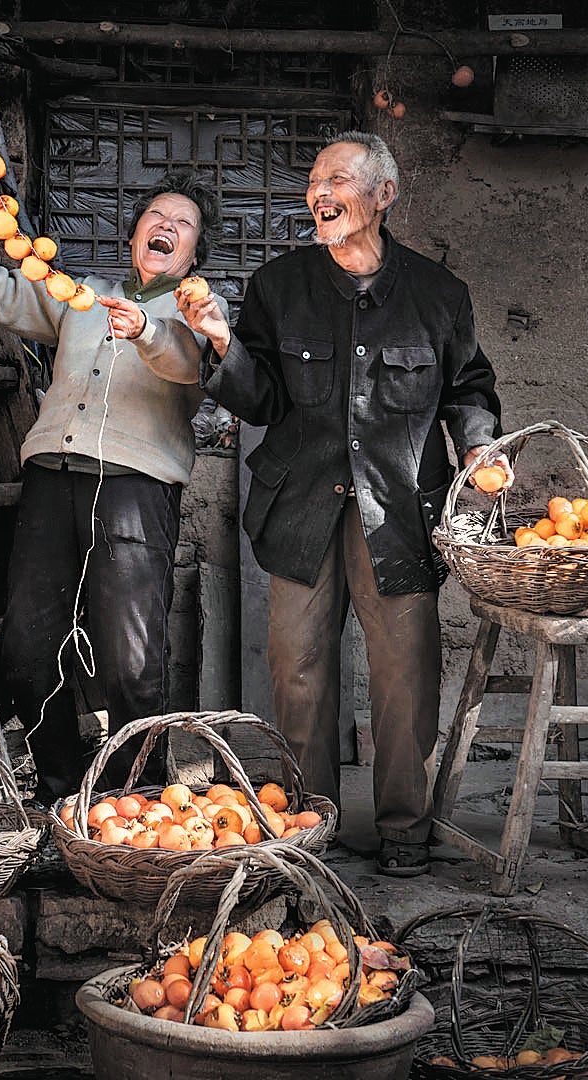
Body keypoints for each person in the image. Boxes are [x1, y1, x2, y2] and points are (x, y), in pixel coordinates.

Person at [170, 131, 509, 876]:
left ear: (382, 196)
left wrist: (480, 447)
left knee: (404, 678)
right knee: (297, 672)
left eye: (338, 179)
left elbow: (468, 390)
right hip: (301, 507)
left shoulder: (437, 295)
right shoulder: (280, 285)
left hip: (399, 512)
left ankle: (403, 832)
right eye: (314, 178)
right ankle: (307, 826)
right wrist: (223, 344)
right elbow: (257, 395)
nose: (318, 190)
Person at [0, 147, 226, 801]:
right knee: (26, 648)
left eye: (182, 223)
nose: (164, 225)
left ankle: (133, 799)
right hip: (52, 480)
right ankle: (60, 788)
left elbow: (185, 362)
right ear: (136, 232)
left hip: (136, 488)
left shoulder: (198, 311)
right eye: (155, 216)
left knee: (130, 662)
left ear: (195, 251)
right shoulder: (85, 299)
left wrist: (146, 329)